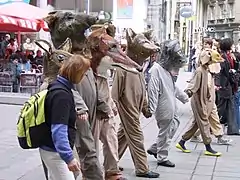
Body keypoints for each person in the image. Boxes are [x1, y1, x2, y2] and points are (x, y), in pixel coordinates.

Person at [39, 55, 90, 180]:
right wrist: (69, 157)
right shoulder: (62, 95)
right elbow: (58, 130)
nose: (84, 77)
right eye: (83, 74)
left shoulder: (57, 86)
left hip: (51, 149)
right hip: (55, 152)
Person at [176, 46, 224, 157]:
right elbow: (193, 86)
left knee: (196, 124)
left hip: (205, 102)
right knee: (203, 123)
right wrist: (185, 94)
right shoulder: (200, 71)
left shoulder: (206, 70)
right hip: (199, 102)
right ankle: (208, 146)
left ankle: (182, 142)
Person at [146, 40, 187, 167]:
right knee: (166, 129)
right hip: (163, 105)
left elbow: (173, 87)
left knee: (174, 125)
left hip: (170, 103)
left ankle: (155, 147)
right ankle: (162, 157)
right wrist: (151, 107)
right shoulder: (156, 70)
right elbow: (152, 90)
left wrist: (183, 97)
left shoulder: (166, 70)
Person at [215, 38, 239, 135]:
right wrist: (219, 85)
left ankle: (232, 129)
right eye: (232, 45)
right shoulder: (223, 57)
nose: (233, 47)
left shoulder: (229, 56)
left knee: (230, 107)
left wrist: (235, 61)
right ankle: (212, 126)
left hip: (228, 86)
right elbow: (220, 72)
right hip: (224, 86)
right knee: (221, 108)